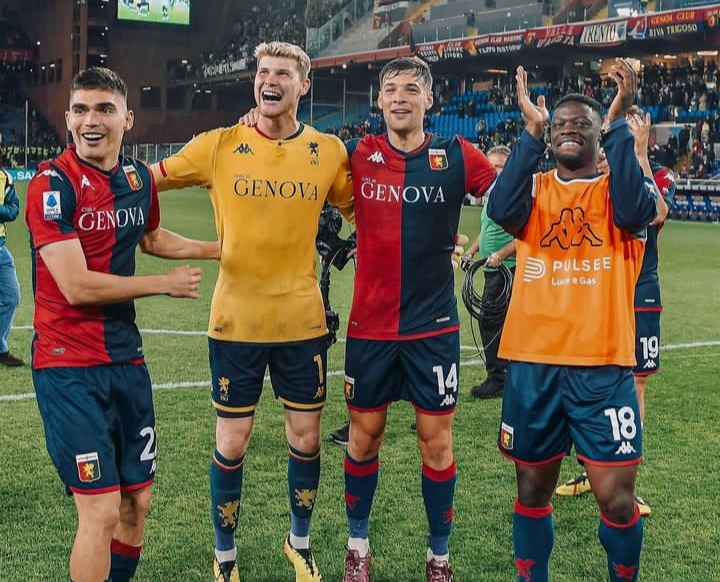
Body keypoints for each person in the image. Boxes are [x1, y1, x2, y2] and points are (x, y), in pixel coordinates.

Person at [151, 41, 354, 582]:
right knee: (232, 441)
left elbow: (366, 209)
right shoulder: (218, 145)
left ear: (303, 85)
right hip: (235, 321)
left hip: (301, 321)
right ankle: (225, 556)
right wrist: (157, 237)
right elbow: (146, 181)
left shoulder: (329, 151)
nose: (270, 80)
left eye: (282, 73)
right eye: (263, 72)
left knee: (306, 439)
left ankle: (299, 543)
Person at [24, 67, 219, 582]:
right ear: (67, 118)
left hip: (126, 361)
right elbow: (76, 286)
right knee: (101, 510)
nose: (91, 120)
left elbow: (149, 236)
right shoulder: (52, 185)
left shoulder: (136, 179)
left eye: (104, 109)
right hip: (68, 366)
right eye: (81, 109)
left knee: (136, 502)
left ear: (126, 119)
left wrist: (217, 249)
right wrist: (162, 284)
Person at [487, 60, 659, 582]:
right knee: (532, 491)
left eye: (582, 123)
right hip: (533, 364)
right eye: (559, 123)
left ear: (599, 135)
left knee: (618, 500)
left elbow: (638, 211)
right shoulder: (535, 190)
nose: (568, 129)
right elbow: (500, 209)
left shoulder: (619, 192)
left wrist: (619, 121)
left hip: (602, 368)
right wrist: (530, 132)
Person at [340, 56, 497, 582]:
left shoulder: (457, 154)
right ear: (379, 100)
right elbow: (300, 160)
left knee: (437, 443)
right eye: (391, 89)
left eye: (411, 89)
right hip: (370, 328)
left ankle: (439, 556)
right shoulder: (357, 154)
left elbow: (507, 199)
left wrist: (534, 139)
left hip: (433, 329)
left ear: (430, 99)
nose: (400, 97)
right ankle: (357, 546)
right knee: (364, 438)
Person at [555, 107, 673, 518]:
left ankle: (626, 483)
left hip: (640, 293)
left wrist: (639, 156)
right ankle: (591, 467)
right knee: (586, 375)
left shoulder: (651, 174)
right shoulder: (597, 181)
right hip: (598, 293)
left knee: (634, 383)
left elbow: (658, 214)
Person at [461, 144, 515, 398]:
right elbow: (486, 231)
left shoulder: (514, 195)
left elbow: (527, 235)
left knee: (490, 322)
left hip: (508, 270)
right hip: (493, 269)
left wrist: (500, 255)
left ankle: (498, 379)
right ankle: (504, 376)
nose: (494, 171)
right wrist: (471, 252)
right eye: (490, 166)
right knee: (496, 322)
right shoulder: (493, 198)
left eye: (499, 166)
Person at [0, 164, 23, 367]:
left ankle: (0, 349)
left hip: (1, 250)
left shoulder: (5, 178)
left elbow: (14, 209)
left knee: (12, 296)